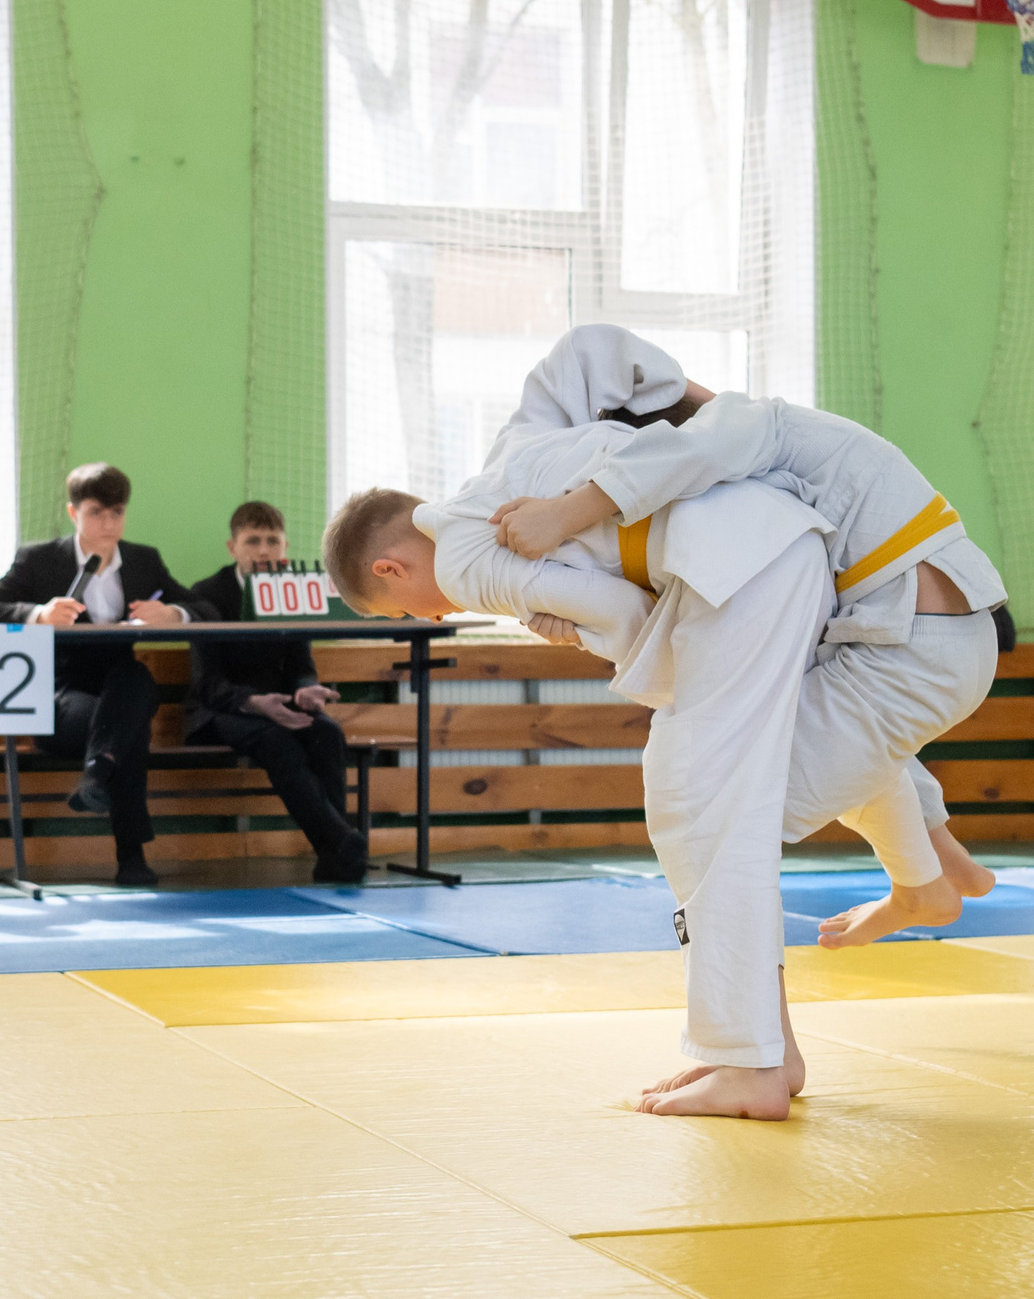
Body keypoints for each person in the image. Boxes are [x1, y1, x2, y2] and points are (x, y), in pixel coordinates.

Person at [328, 433, 829, 1122]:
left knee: (704, 807)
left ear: (390, 567)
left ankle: (753, 1061)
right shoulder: (484, 495)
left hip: (745, 570)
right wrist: (582, 623)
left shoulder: (470, 559)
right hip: (756, 559)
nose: (434, 616)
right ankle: (759, 1046)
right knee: (694, 802)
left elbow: (627, 618)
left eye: (409, 610)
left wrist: (582, 632)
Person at [482, 328, 1009, 948]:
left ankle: (921, 881)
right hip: (917, 640)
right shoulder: (735, 485)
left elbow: (692, 458)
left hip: (917, 645)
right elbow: (698, 624)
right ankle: (936, 857)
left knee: (727, 801)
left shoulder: (750, 430)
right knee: (790, 730)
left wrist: (568, 511)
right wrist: (574, 619)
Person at [0, 464, 209, 887]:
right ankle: (130, 856)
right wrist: (37, 614)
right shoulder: (39, 559)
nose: (108, 523)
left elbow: (207, 611)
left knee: (133, 681)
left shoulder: (143, 561)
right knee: (129, 726)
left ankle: (98, 772)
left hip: (119, 690)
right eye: (97, 512)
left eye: (117, 512)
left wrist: (174, 613)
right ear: (73, 512)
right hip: (58, 699)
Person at [185, 502, 369, 884]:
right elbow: (208, 685)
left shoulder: (290, 592)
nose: (264, 550)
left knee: (328, 733)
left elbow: (301, 666)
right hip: (222, 711)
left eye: (273, 541)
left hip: (282, 706)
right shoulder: (206, 594)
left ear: (285, 548)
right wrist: (255, 703)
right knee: (276, 741)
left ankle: (335, 854)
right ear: (232, 547)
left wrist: (305, 691)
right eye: (253, 541)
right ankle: (341, 840)